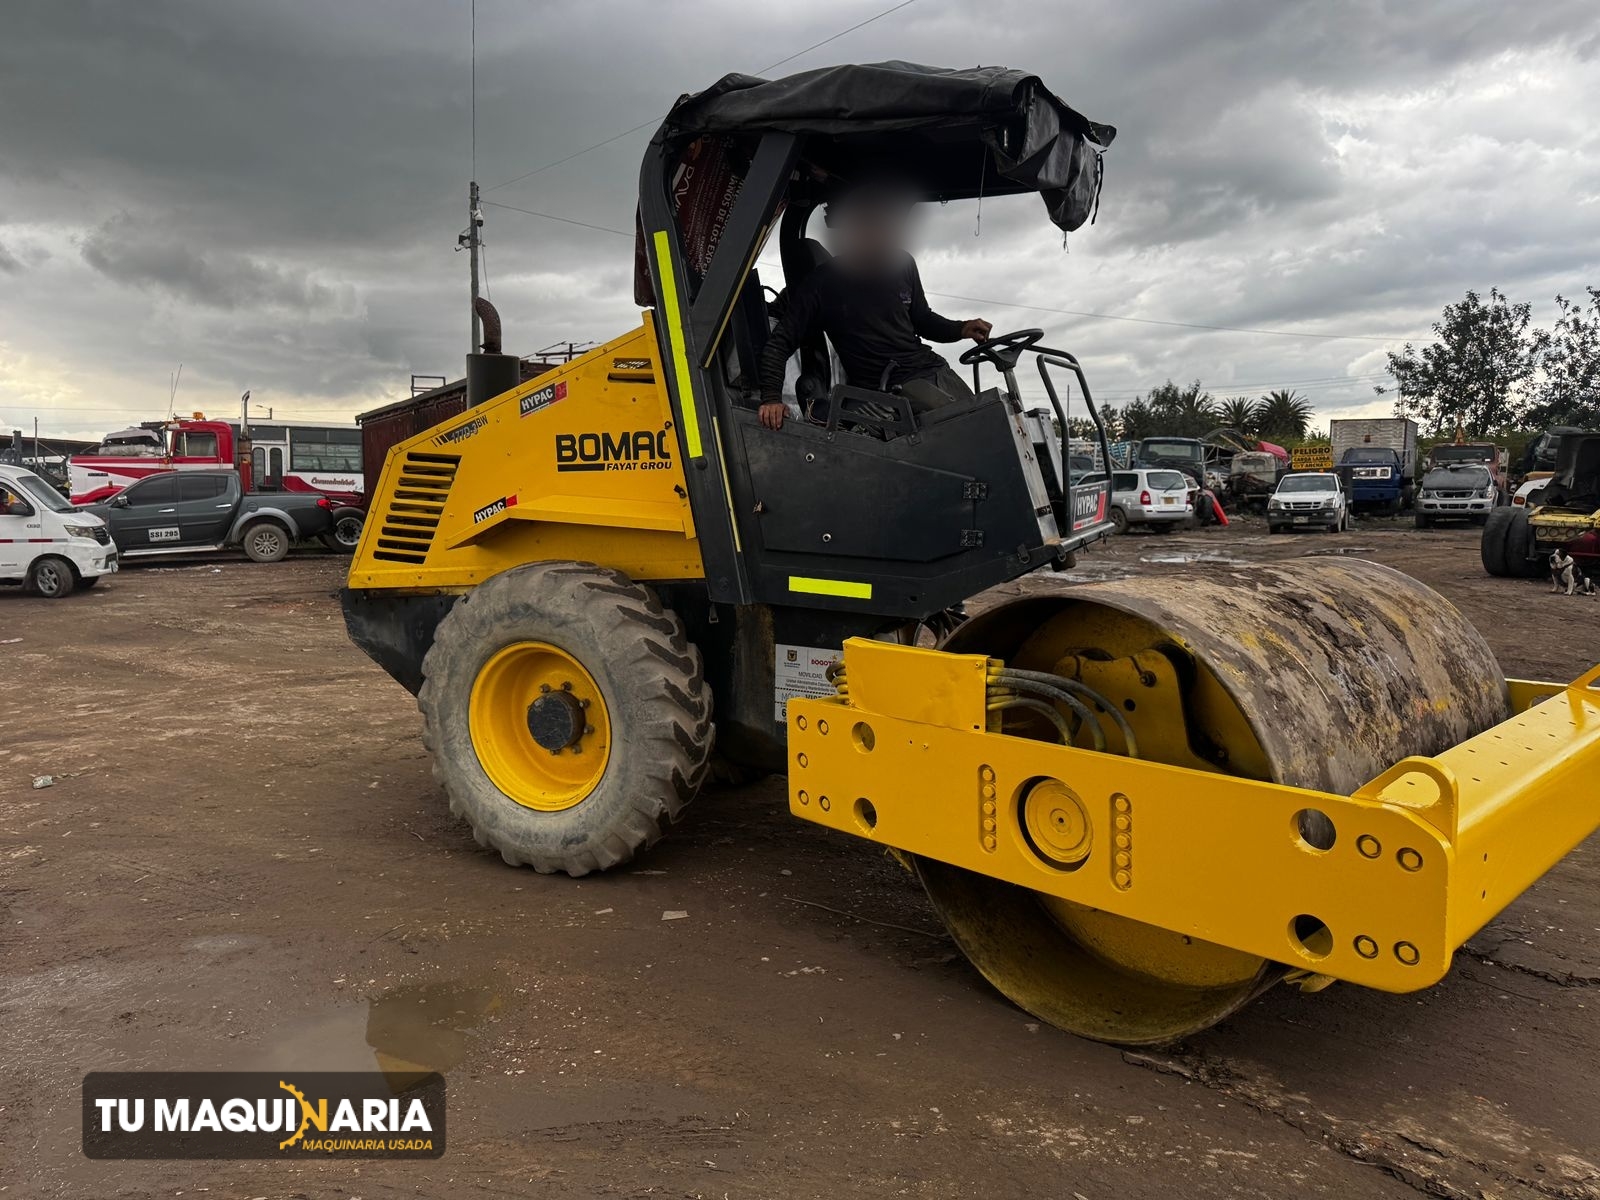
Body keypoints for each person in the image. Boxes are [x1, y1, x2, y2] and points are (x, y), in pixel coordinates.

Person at [756, 181, 992, 431]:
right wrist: (771, 399)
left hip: (934, 370)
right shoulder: (822, 283)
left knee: (990, 416)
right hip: (890, 391)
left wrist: (961, 328)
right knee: (970, 430)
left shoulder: (903, 264)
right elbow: (779, 343)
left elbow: (922, 319)